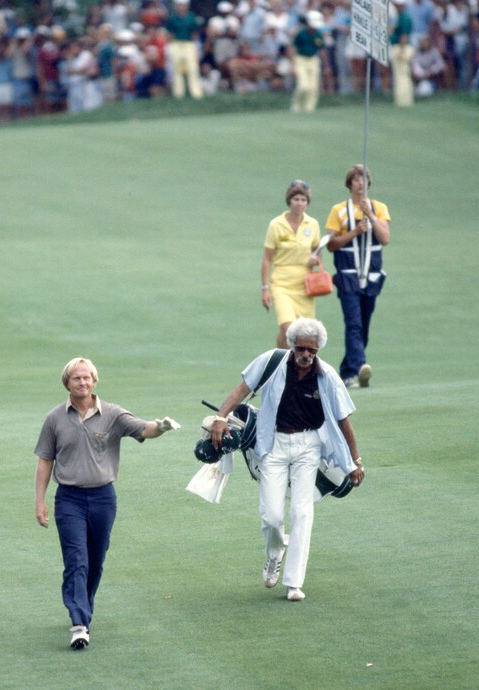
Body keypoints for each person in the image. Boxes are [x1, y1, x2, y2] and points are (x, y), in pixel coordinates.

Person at [208, 318, 365, 602]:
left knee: (302, 512)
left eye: (312, 351)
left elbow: (344, 420)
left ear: (318, 350)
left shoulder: (328, 376)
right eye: (302, 348)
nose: (307, 355)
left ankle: (294, 583)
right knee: (271, 515)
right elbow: (240, 391)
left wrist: (355, 460)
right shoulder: (272, 361)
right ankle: (273, 555)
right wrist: (220, 418)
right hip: (274, 443)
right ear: (292, 345)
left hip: (308, 445)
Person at [34, 357, 179, 650]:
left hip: (103, 499)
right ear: (67, 383)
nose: (83, 382)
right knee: (76, 561)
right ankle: (79, 622)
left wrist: (161, 427)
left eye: (87, 378)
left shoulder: (112, 414)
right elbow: (45, 461)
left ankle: (83, 608)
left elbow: (143, 428)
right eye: (77, 379)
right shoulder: (54, 419)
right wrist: (40, 500)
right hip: (69, 500)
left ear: (94, 381)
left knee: (95, 561)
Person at [324, 165, 391, 389]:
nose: (360, 183)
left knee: (364, 324)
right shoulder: (339, 211)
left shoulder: (379, 208)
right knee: (353, 323)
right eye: (355, 180)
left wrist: (370, 215)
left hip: (370, 275)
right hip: (348, 275)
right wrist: (354, 233)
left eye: (363, 179)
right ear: (349, 184)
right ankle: (361, 365)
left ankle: (347, 372)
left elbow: (385, 238)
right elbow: (331, 244)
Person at [261, 180, 322, 350]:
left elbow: (317, 251)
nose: (300, 203)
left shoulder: (313, 224)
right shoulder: (276, 225)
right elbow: (267, 258)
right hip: (281, 282)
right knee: (287, 327)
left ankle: (293, 366)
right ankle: (281, 359)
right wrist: (265, 288)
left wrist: (315, 260)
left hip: (305, 284)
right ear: (289, 201)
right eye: (296, 199)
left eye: (303, 200)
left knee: (304, 332)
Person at [164, 0, 205, 99]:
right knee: (177, 69)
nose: (181, 7)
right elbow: (169, 32)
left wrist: (194, 44)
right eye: (179, 5)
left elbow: (195, 32)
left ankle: (196, 93)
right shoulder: (173, 18)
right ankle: (178, 94)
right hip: (176, 43)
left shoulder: (191, 17)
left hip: (188, 43)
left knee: (192, 68)